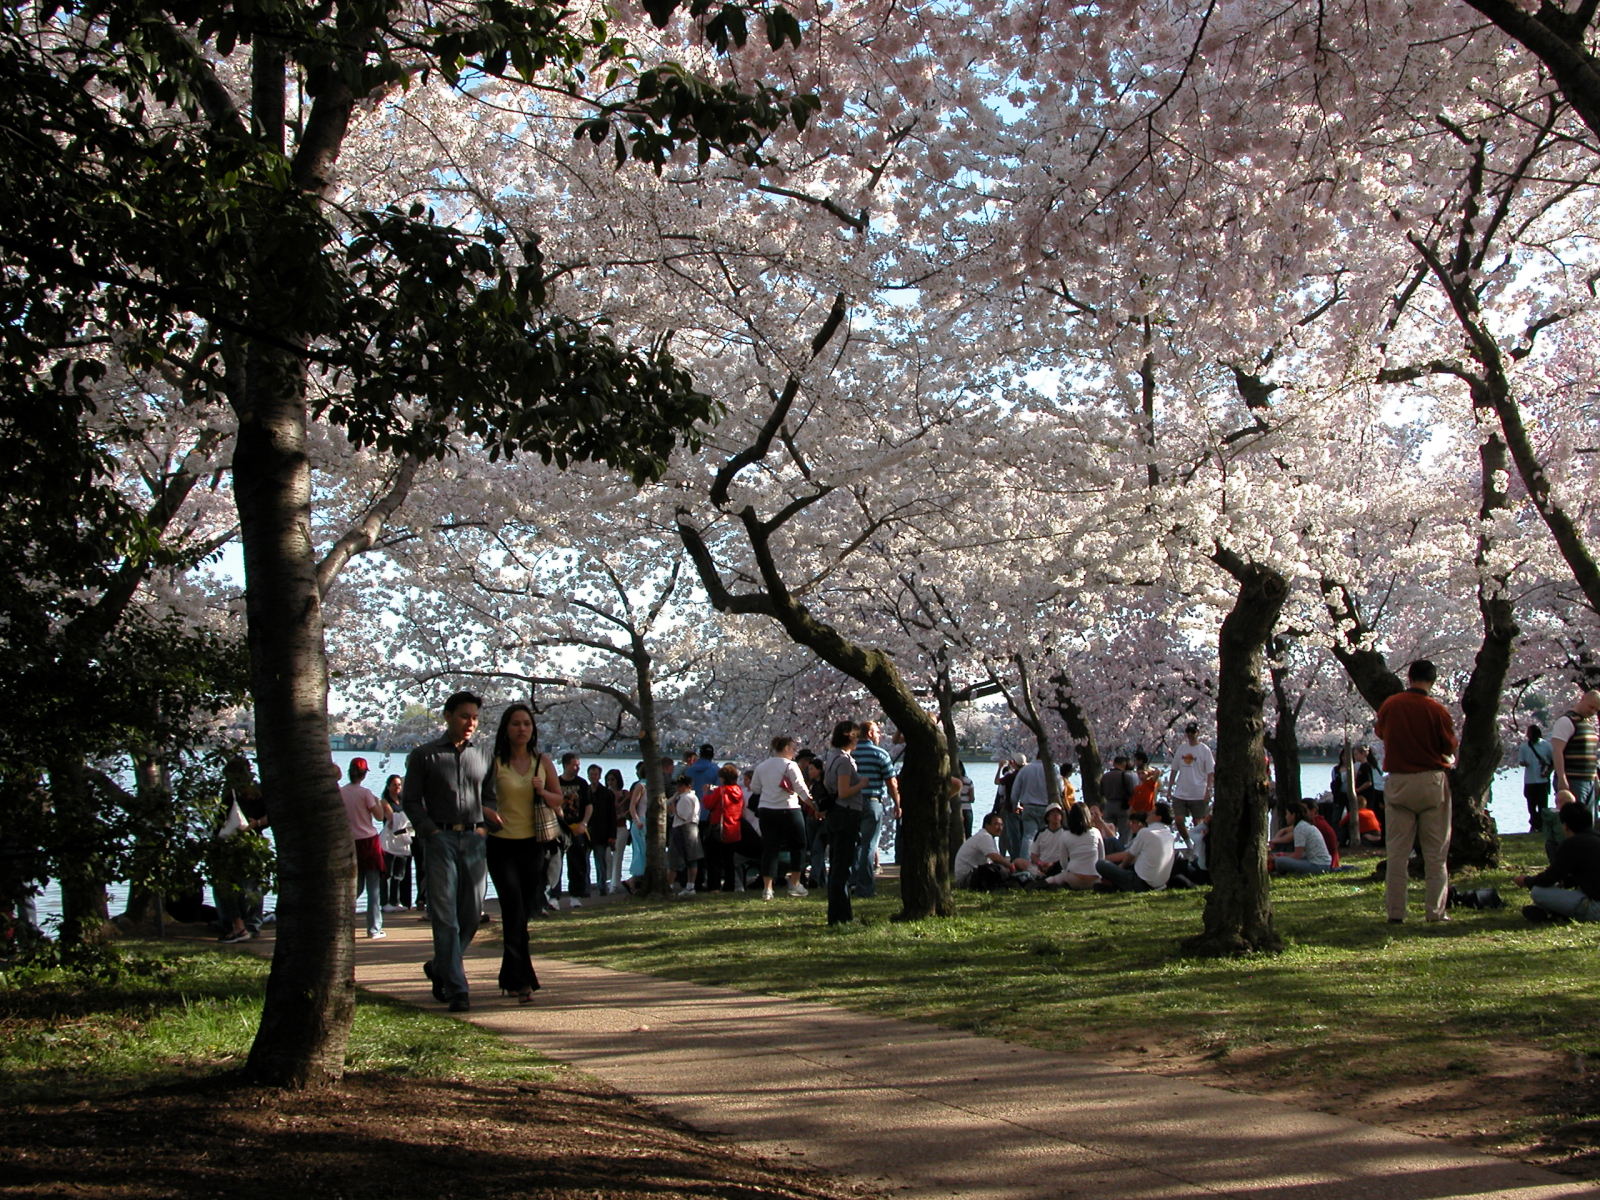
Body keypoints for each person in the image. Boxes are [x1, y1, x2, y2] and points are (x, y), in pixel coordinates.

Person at [403, 690, 498, 1012]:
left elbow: (491, 797)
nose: (470, 723)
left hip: (474, 840)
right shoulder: (424, 755)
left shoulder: (484, 756)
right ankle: (458, 988)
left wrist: (485, 827)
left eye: (474, 717)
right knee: (445, 917)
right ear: (447, 716)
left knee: (470, 915)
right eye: (464, 716)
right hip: (440, 839)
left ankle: (439, 966)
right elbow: (410, 800)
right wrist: (429, 830)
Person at [482, 703, 563, 1003]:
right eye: (516, 724)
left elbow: (559, 800)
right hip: (501, 845)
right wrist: (487, 812)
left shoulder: (542, 761)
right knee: (512, 909)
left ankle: (511, 976)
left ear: (533, 729)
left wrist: (542, 791)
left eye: (527, 724)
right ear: (506, 728)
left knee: (522, 913)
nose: (522, 729)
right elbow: (477, 798)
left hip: (533, 845)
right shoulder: (494, 763)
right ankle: (524, 981)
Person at [1373, 660, 1458, 924]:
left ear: (1409, 678)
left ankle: (1396, 912)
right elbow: (1450, 746)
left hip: (1399, 780)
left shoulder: (1391, 705)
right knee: (1435, 852)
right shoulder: (1436, 710)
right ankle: (1435, 911)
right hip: (1430, 781)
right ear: (1432, 680)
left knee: (1397, 853)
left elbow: (1381, 732)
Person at [1515, 800, 1600, 923]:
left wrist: (1526, 881)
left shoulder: (1572, 844)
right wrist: (1565, 882)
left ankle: (1556, 913)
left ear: (1565, 826)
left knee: (1538, 891)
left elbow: (1549, 878)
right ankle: (1555, 914)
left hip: (1595, 908)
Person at [749, 736, 812, 900]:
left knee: (770, 849)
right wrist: (815, 806)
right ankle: (795, 884)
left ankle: (768, 888)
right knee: (798, 846)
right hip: (789, 809)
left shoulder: (762, 766)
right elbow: (801, 789)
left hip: (766, 810)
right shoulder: (791, 765)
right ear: (785, 749)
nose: (794, 752)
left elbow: (755, 788)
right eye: (792, 749)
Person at [215, 755, 270, 943]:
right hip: (255, 840)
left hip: (232, 842)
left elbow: (221, 820)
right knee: (253, 886)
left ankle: (235, 925)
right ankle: (252, 925)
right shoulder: (259, 791)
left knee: (227, 884)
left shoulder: (230, 794)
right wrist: (256, 824)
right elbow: (270, 815)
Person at [822, 721, 868, 924]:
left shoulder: (832, 758)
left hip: (835, 814)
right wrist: (861, 784)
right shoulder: (844, 762)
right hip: (846, 813)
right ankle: (840, 916)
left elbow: (826, 784)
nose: (858, 740)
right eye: (856, 736)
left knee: (837, 863)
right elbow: (843, 791)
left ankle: (841, 914)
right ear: (850, 737)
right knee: (842, 866)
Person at [341, 757, 391, 939]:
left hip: (350, 842)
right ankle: (374, 927)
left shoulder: (341, 792)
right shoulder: (366, 793)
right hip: (368, 841)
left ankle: (342, 922)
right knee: (373, 889)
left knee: (355, 887)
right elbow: (379, 817)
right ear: (363, 774)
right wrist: (378, 804)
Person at [852, 720, 898, 897]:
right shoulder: (880, 754)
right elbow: (891, 782)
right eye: (877, 732)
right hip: (871, 801)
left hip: (850, 802)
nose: (880, 736)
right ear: (870, 733)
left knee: (854, 844)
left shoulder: (850, 753)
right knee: (869, 845)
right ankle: (865, 887)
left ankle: (853, 881)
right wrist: (897, 803)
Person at [1095, 802, 1176, 892]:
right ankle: (1114, 887)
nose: (1149, 813)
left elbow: (1129, 856)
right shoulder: (1169, 836)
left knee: (1101, 864)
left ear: (1158, 818)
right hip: (1159, 884)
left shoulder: (1146, 832)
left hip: (1140, 882)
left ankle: (1113, 885)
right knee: (1112, 841)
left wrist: (1120, 868)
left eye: (1152, 812)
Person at [1550, 689, 1600, 814]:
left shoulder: (1588, 724)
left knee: (1588, 821)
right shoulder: (1566, 721)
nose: (1592, 712)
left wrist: (1595, 778)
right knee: (1575, 819)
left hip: (1589, 780)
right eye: (1591, 707)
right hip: (1573, 779)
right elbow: (1557, 751)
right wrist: (1562, 779)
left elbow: (1591, 754)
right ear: (1583, 699)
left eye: (1596, 710)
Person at [953, 812, 1029, 889]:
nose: (1000, 828)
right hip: (966, 879)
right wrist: (1012, 867)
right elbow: (995, 858)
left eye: (1001, 825)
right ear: (987, 826)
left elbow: (992, 861)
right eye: (996, 824)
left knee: (1009, 866)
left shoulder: (988, 837)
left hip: (974, 876)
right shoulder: (984, 836)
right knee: (1000, 869)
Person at [555, 753, 593, 906]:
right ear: (565, 765)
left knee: (577, 862)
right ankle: (554, 896)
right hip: (559, 828)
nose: (577, 768)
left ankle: (575, 895)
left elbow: (589, 806)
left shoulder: (582, 784)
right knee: (556, 862)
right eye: (574, 765)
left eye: (578, 765)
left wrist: (584, 823)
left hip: (577, 828)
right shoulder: (556, 783)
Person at [702, 764, 745, 892]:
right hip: (734, 828)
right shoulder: (739, 791)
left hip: (719, 829)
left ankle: (714, 886)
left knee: (714, 859)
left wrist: (705, 794)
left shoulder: (720, 791)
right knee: (729, 860)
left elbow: (709, 804)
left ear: (722, 778)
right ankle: (729, 886)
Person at [1167, 724, 1214, 838]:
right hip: (1181, 791)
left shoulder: (1204, 749)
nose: (1190, 734)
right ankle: (1188, 842)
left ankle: (1199, 845)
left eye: (1192, 732)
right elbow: (1174, 769)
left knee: (1198, 822)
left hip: (1198, 792)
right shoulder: (1182, 748)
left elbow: (1210, 772)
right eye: (1188, 732)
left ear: (1197, 733)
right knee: (1178, 819)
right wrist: (1169, 788)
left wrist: (1208, 790)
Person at [1045, 802, 1104, 890]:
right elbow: (1102, 858)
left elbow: (1063, 862)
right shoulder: (1095, 832)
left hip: (1074, 878)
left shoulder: (1065, 835)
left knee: (1055, 878)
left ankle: (1039, 884)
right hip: (1094, 879)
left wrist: (1067, 871)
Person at [1270, 799, 1334, 875]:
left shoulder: (1300, 828)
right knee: (1281, 859)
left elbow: (1297, 856)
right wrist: (1281, 854)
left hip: (1318, 865)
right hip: (1320, 863)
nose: (1286, 817)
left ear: (1293, 815)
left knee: (1279, 861)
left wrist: (1278, 858)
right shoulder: (1303, 825)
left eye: (1287, 814)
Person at [379, 775, 415, 911]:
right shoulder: (384, 801)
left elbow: (407, 818)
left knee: (399, 873)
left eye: (399, 784)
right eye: (394, 784)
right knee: (386, 873)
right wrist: (405, 819)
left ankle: (396, 901)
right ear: (388, 786)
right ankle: (384, 902)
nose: (397, 787)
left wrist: (403, 820)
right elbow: (391, 818)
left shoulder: (403, 802)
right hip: (389, 841)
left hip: (402, 840)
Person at [585, 763, 618, 895]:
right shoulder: (584, 791)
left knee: (600, 862)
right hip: (587, 832)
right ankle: (585, 888)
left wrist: (612, 835)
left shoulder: (607, 793)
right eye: (591, 774)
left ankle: (602, 887)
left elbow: (612, 815)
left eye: (596, 774)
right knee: (584, 863)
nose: (593, 776)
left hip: (601, 832)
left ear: (599, 776)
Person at [667, 776, 704, 895]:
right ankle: (689, 886)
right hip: (690, 827)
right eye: (678, 786)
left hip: (683, 828)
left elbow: (683, 816)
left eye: (681, 786)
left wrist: (673, 810)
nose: (678, 788)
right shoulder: (691, 797)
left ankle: (671, 885)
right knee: (690, 859)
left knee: (675, 859)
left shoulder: (686, 799)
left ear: (688, 787)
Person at [1518, 724, 1555, 833]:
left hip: (1542, 781)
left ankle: (1542, 825)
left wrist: (1548, 773)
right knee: (1531, 805)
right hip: (1529, 780)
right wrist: (1524, 763)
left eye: (1529, 733)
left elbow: (1553, 762)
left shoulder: (1546, 745)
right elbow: (1520, 761)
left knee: (1543, 806)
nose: (1527, 735)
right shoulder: (1524, 747)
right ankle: (1535, 824)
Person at [1099, 755, 1138, 843]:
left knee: (1107, 829)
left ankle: (1108, 848)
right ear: (1124, 765)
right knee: (1125, 831)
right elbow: (1132, 793)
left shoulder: (1105, 776)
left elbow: (1101, 792)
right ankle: (1122, 849)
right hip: (1122, 806)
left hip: (1108, 805)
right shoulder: (1126, 777)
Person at [604, 767, 631, 892]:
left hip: (621, 827)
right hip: (607, 829)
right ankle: (611, 878)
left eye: (612, 779)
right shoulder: (604, 793)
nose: (610, 782)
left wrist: (622, 815)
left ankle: (614, 885)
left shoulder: (625, 794)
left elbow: (629, 810)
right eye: (608, 779)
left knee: (618, 855)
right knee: (606, 855)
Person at [1128, 751, 1159, 816]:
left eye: (1143, 773)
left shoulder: (1150, 784)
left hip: (1148, 812)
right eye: (1139, 774)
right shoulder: (1137, 787)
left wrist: (1149, 772)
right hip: (1137, 812)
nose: (1141, 776)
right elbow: (1132, 803)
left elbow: (1157, 772)